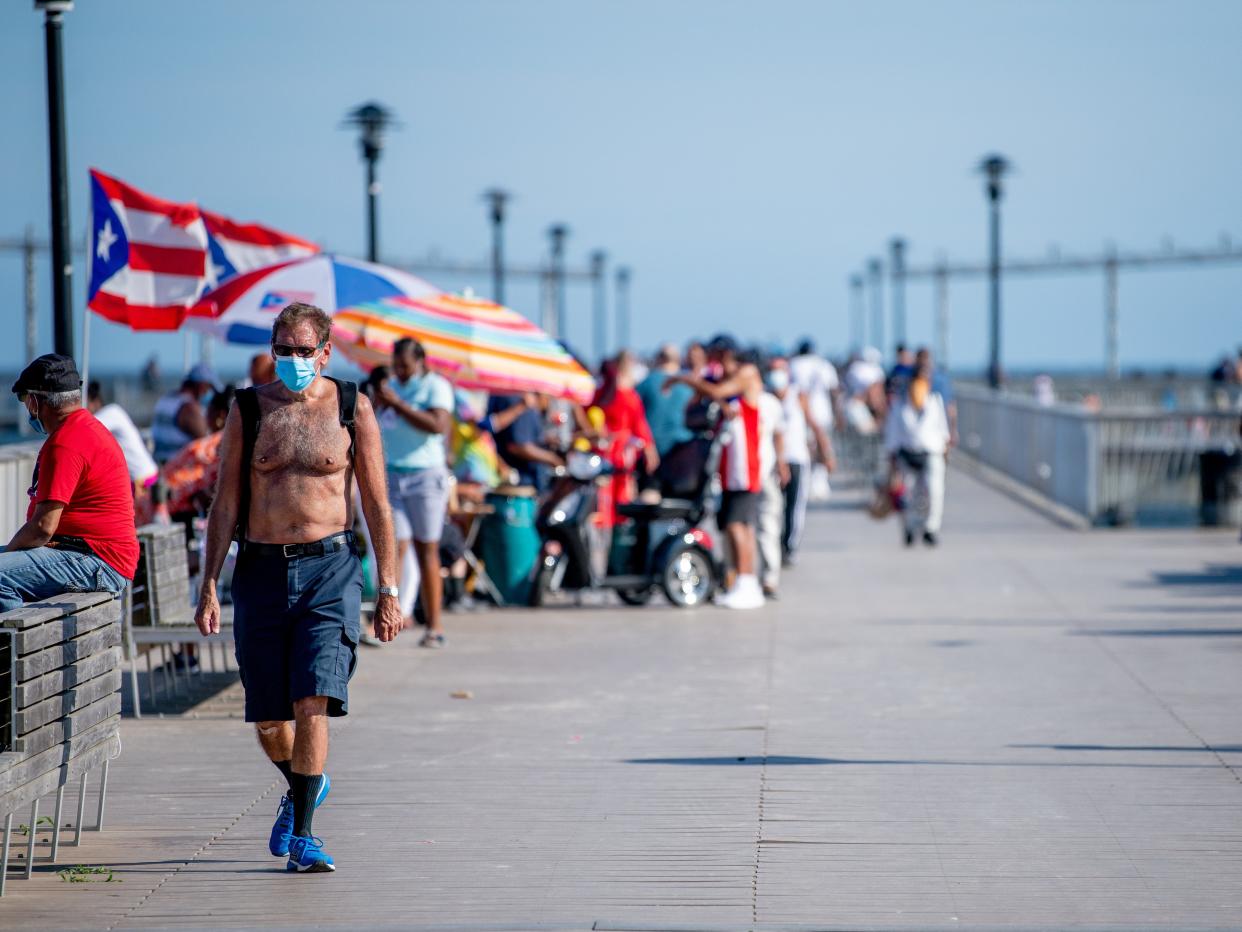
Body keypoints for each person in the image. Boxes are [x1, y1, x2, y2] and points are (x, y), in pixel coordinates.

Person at [194, 302, 401, 874]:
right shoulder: (248, 409)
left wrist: (388, 589)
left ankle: (304, 836)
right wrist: (210, 582)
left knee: (314, 697)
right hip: (259, 569)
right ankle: (304, 786)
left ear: (325, 353)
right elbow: (226, 503)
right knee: (268, 716)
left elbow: (380, 505)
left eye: (302, 352)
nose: (291, 361)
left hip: (330, 569)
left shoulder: (353, 407)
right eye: (282, 350)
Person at [0, 355, 136, 612]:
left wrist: (8, 554)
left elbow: (42, 528)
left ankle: (20, 650)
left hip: (97, 561)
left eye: (24, 399)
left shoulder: (66, 442)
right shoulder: (88, 428)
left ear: (36, 402)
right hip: (100, 557)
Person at [665, 336, 766, 610]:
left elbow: (717, 392)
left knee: (738, 524)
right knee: (733, 525)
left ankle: (747, 582)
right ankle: (741, 581)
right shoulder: (731, 383)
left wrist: (683, 380)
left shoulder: (747, 374)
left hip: (745, 467)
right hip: (731, 467)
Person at [376, 338, 454, 648]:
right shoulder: (392, 386)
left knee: (426, 549)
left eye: (405, 366)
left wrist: (397, 404)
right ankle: (391, 616)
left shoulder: (435, 387)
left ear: (420, 362)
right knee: (393, 548)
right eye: (396, 366)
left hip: (426, 478)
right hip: (394, 475)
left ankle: (434, 625)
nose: (400, 372)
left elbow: (438, 425)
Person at [768, 362, 835, 567]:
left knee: (793, 507)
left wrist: (827, 453)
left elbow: (814, 425)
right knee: (773, 508)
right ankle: (774, 546)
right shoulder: (764, 397)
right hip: (771, 461)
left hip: (796, 457)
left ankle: (789, 546)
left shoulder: (798, 395)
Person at [884, 361, 951, 547]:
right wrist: (892, 459)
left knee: (934, 491)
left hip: (931, 452)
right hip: (906, 453)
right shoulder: (900, 404)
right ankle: (909, 528)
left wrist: (946, 451)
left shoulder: (934, 401)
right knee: (906, 495)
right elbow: (893, 433)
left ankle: (931, 528)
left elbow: (942, 429)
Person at [593, 351, 658, 527]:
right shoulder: (628, 395)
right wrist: (649, 450)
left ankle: (609, 527)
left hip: (605, 450)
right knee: (620, 497)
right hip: (620, 452)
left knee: (606, 496)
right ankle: (617, 531)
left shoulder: (602, 392)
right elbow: (640, 426)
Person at [161, 388, 235, 520]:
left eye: (209, 411)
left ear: (221, 416)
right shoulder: (229, 441)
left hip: (169, 508)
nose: (205, 416)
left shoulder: (209, 446)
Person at [87, 381, 159, 492]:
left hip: (143, 482)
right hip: (143, 479)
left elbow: (84, 429)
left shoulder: (111, 413)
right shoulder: (114, 413)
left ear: (94, 401)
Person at [487, 394, 563, 493]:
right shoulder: (520, 400)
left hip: (524, 480)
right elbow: (518, 446)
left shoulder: (521, 401)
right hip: (521, 482)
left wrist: (544, 439)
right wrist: (553, 459)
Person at [754, 381, 788, 599]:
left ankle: (769, 578)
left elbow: (778, 434)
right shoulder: (732, 401)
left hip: (764, 473)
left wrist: (781, 463)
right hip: (738, 477)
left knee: (768, 526)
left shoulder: (770, 403)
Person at [151, 363, 222, 464]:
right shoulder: (189, 408)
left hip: (159, 462)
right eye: (209, 388)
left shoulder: (165, 399)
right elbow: (206, 441)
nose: (209, 393)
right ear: (202, 385)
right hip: (176, 469)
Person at [637, 343, 695, 457]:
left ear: (659, 358)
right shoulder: (688, 386)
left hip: (650, 449)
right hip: (680, 447)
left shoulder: (646, 383)